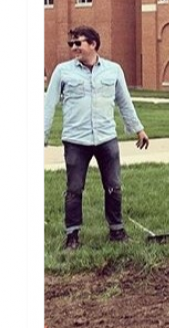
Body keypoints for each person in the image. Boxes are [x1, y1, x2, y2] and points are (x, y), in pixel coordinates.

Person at [44, 25, 150, 250]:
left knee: (113, 186)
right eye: (71, 44)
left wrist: (138, 129)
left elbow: (124, 101)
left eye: (78, 43)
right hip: (76, 140)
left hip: (106, 138)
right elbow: (49, 103)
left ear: (92, 44)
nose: (74, 48)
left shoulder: (113, 70)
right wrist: (42, 135)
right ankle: (72, 236)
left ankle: (117, 231)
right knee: (74, 188)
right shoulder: (63, 71)